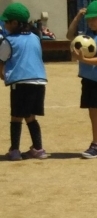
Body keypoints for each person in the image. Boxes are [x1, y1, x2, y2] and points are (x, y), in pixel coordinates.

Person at [66, 0, 97, 159]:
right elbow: (69, 36)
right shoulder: (89, 35)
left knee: (95, 114)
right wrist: (77, 17)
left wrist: (82, 59)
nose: (91, 22)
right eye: (88, 19)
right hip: (89, 79)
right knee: (93, 113)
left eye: (95, 19)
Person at [0, 3, 48, 161]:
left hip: (20, 82)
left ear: (15, 23)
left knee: (16, 116)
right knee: (31, 116)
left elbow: (1, 62)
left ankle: (15, 151)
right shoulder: (35, 37)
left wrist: (4, 76)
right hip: (39, 81)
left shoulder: (9, 40)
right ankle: (38, 149)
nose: (5, 25)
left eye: (6, 22)